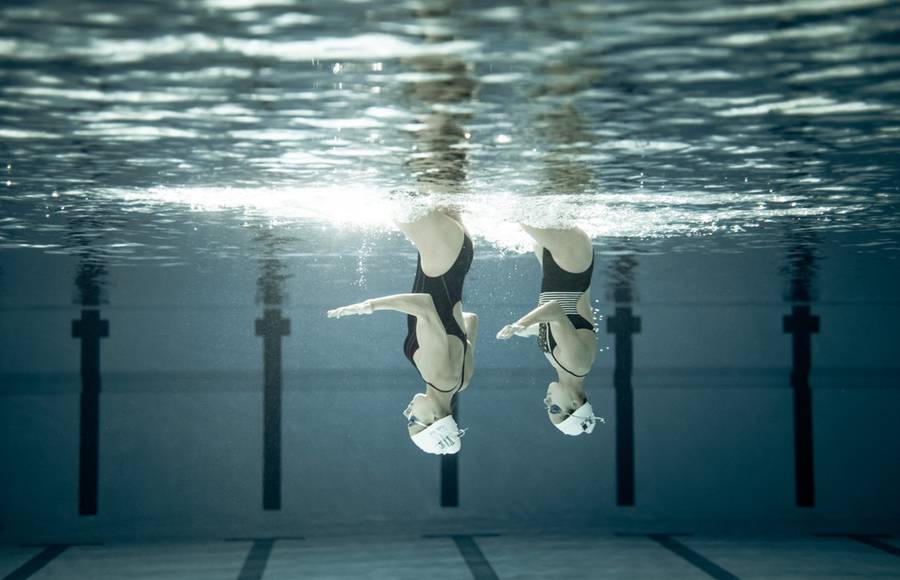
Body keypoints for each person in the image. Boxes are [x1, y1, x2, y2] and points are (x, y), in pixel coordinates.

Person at [327, 209, 477, 454]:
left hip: (455, 255)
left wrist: (446, 319)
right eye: (412, 420)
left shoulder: (460, 382)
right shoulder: (436, 376)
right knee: (392, 198)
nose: (407, 411)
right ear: (435, 419)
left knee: (440, 177)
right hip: (442, 253)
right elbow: (426, 307)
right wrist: (371, 305)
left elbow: (470, 321)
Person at [496, 225, 603, 436]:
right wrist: (522, 323)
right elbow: (555, 309)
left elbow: (549, 329)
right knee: (520, 212)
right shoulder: (577, 364)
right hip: (570, 263)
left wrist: (524, 331)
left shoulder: (565, 367)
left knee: (542, 200)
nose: (546, 401)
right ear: (574, 402)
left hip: (558, 267)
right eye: (554, 408)